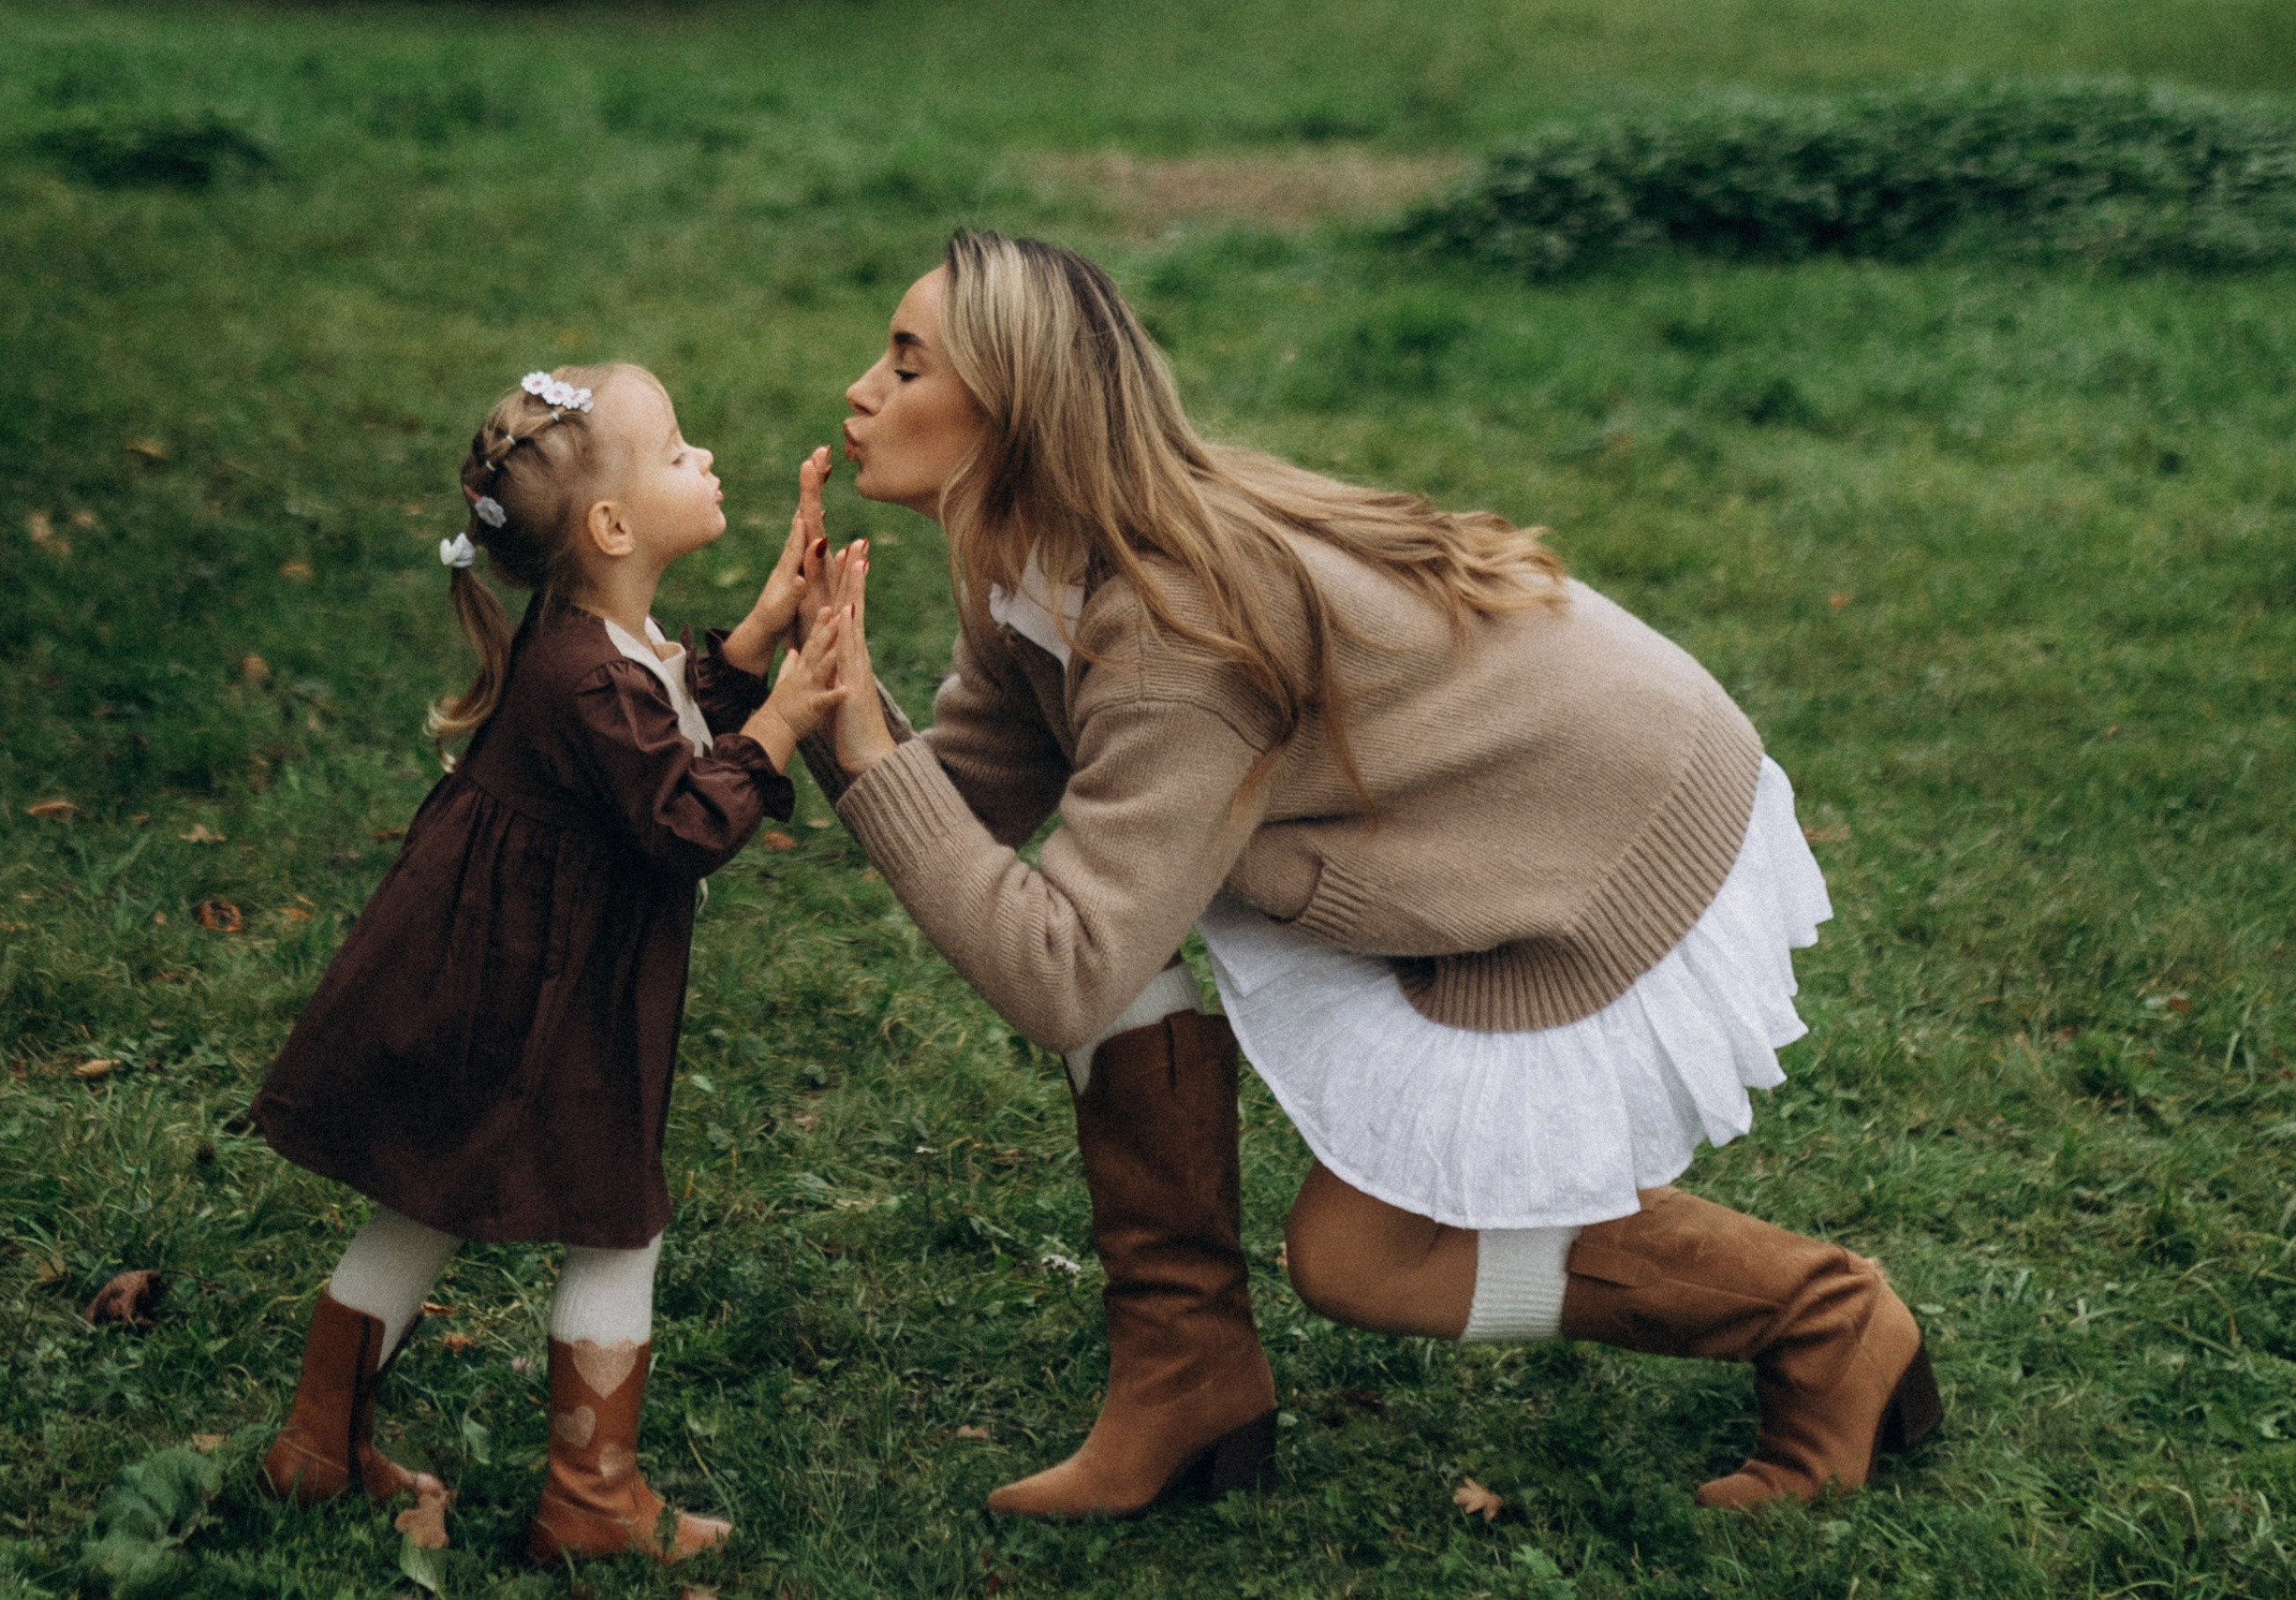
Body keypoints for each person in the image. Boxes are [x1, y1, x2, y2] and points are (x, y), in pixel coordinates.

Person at [797, 230, 1944, 1519]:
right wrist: (799, 697)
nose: (861, 391)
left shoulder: (1167, 633)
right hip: (1431, 819)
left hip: (1597, 840)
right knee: (1117, 936)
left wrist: (856, 741)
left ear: (1016, 412)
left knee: (1364, 1258)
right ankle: (1185, 1379)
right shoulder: (1034, 564)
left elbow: (1055, 974)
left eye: (906, 365)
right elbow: (964, 813)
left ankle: (1828, 1319)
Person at [247, 364, 851, 1564]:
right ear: (613, 527)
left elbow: (663, 724)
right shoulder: (587, 674)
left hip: (496, 973)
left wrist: (753, 634)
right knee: (614, 1220)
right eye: (677, 450)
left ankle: (317, 1444)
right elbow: (684, 820)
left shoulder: (591, 644)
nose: (705, 458)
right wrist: (781, 719)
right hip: (548, 996)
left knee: (425, 1194)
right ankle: (590, 1496)